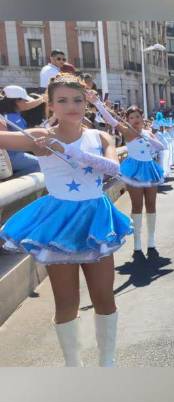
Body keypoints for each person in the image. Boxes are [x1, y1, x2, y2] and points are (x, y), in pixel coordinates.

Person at [0, 74, 132, 366]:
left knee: (104, 297)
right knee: (66, 301)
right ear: (51, 105)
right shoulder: (38, 137)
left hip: (95, 220)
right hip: (59, 223)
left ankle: (107, 364)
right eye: (62, 100)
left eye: (77, 100)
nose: (71, 106)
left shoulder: (100, 136)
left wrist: (67, 150)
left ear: (86, 102)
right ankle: (74, 367)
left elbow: (113, 167)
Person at [96, 101, 166, 256]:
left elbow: (162, 147)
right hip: (134, 169)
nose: (136, 119)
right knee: (137, 205)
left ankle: (151, 240)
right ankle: (137, 242)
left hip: (149, 169)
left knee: (151, 204)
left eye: (138, 116)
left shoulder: (148, 132)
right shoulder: (127, 132)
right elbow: (110, 119)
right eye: (132, 117)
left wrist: (150, 139)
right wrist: (97, 102)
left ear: (142, 118)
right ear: (127, 120)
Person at [0, 85, 47, 175]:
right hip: (11, 157)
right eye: (25, 100)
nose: (27, 102)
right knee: (41, 164)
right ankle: (13, 180)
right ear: (17, 101)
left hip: (16, 153)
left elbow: (28, 106)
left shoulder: (10, 113)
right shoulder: (10, 118)